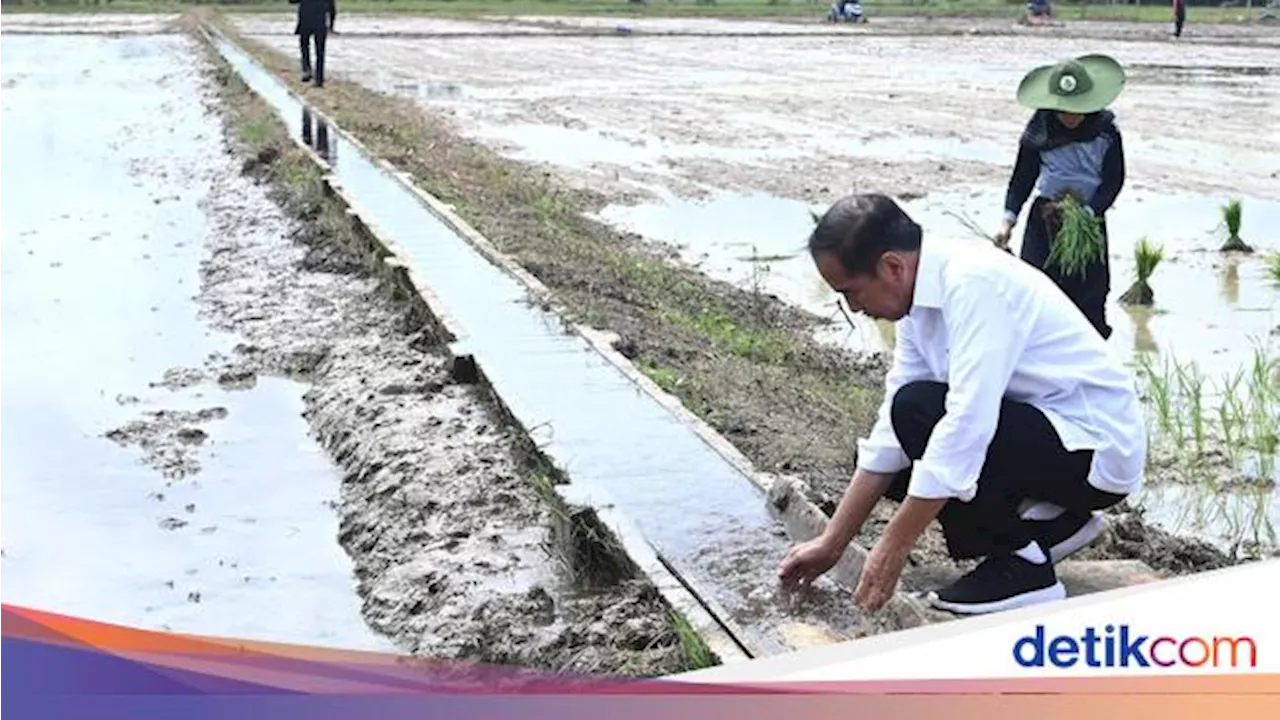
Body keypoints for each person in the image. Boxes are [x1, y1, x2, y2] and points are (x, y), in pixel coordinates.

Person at [778, 193, 1147, 615]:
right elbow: (889, 437)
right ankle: (1054, 525)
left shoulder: (973, 284)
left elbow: (968, 422)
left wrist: (893, 546)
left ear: (892, 266)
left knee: (919, 412)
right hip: (1047, 438)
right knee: (902, 440)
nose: (854, 308)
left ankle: (1023, 565)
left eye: (853, 292)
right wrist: (832, 544)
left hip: (1095, 448)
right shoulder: (917, 301)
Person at [993, 54, 1127, 341]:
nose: (1070, 116)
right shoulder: (1038, 131)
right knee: (1036, 287)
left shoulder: (1106, 133)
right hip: (1046, 216)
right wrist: (1008, 220)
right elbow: (1022, 179)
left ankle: (1090, 356)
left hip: (1087, 221)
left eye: (1077, 109)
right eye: (1063, 110)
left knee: (1090, 292)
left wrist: (1091, 212)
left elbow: (1113, 181)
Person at [289, 0, 336, 88]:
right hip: (320, 20)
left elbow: (292, 1)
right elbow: (331, 5)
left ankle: (307, 69)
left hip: (306, 18)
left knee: (304, 44)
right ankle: (319, 78)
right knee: (320, 51)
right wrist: (331, 25)